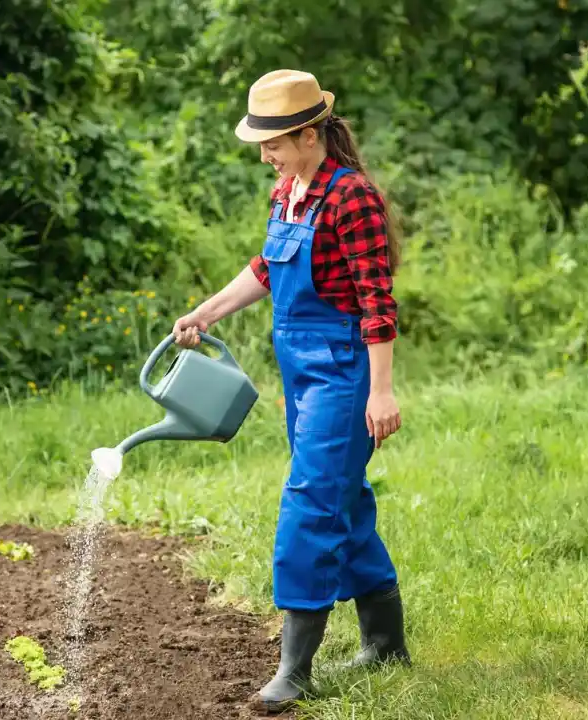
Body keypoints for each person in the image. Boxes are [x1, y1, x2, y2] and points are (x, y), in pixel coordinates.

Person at [171, 68, 411, 714]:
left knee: (308, 503)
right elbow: (265, 269)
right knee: (345, 500)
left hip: (344, 371)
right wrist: (206, 312)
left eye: (272, 142)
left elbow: (376, 301)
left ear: (309, 135)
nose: (264, 155)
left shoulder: (349, 197)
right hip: (303, 379)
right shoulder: (288, 193)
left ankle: (294, 670)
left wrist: (381, 392)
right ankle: (386, 643)